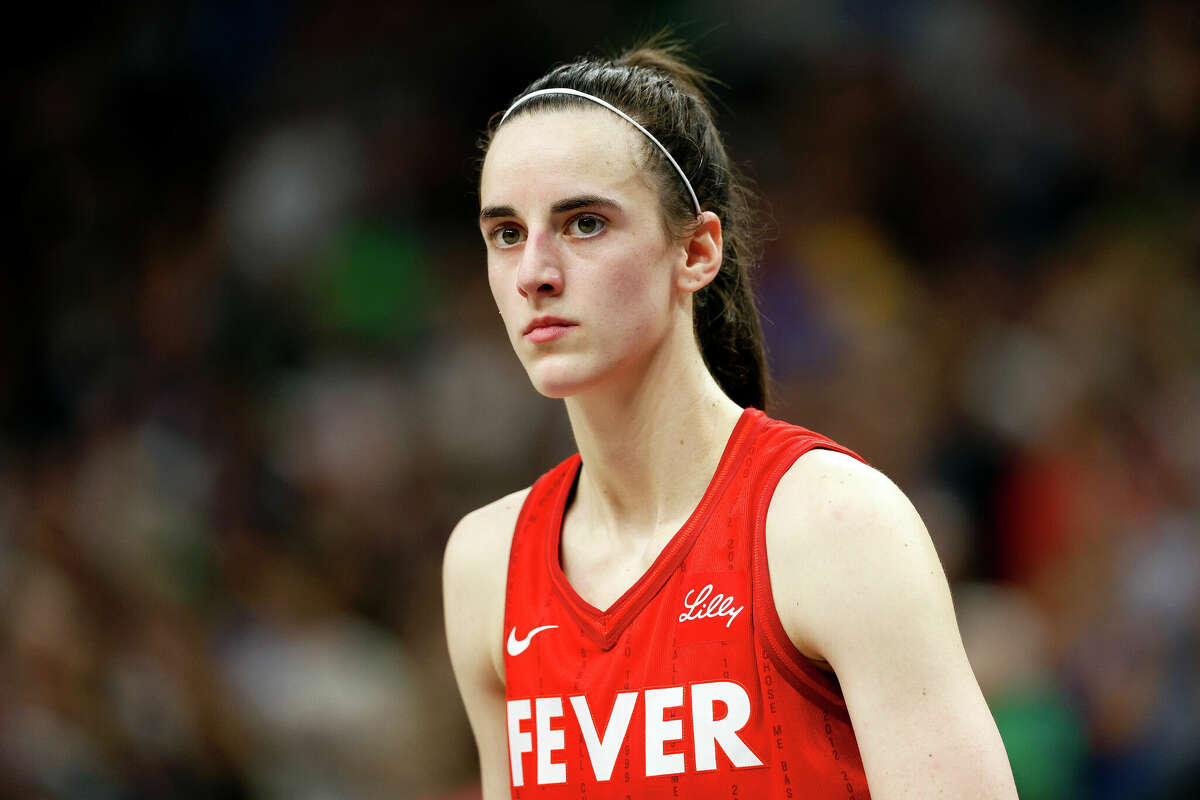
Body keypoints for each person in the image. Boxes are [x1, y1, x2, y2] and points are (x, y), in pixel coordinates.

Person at [443, 39, 1017, 800]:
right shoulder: (486, 565)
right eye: (506, 233)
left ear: (698, 251)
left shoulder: (837, 526)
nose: (534, 274)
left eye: (584, 224)